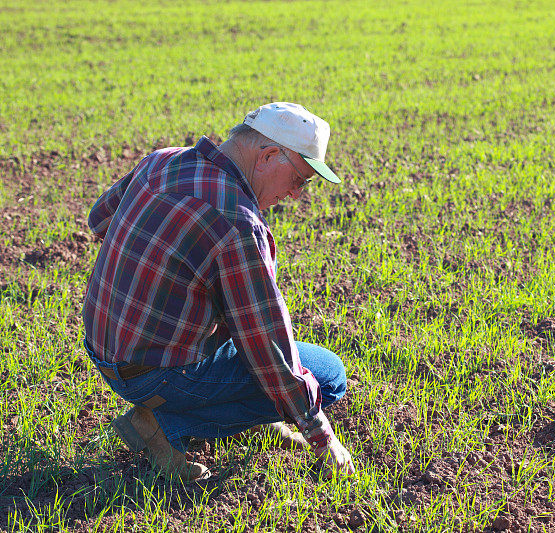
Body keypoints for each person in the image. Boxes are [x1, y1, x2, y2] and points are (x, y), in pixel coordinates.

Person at [81, 102, 355, 481]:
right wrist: (321, 435)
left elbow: (99, 220)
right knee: (328, 375)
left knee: (229, 312)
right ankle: (161, 422)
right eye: (300, 180)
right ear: (269, 155)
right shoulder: (237, 221)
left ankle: (245, 416)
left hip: (104, 351)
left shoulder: (161, 160)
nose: (295, 195)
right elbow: (267, 346)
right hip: (153, 374)